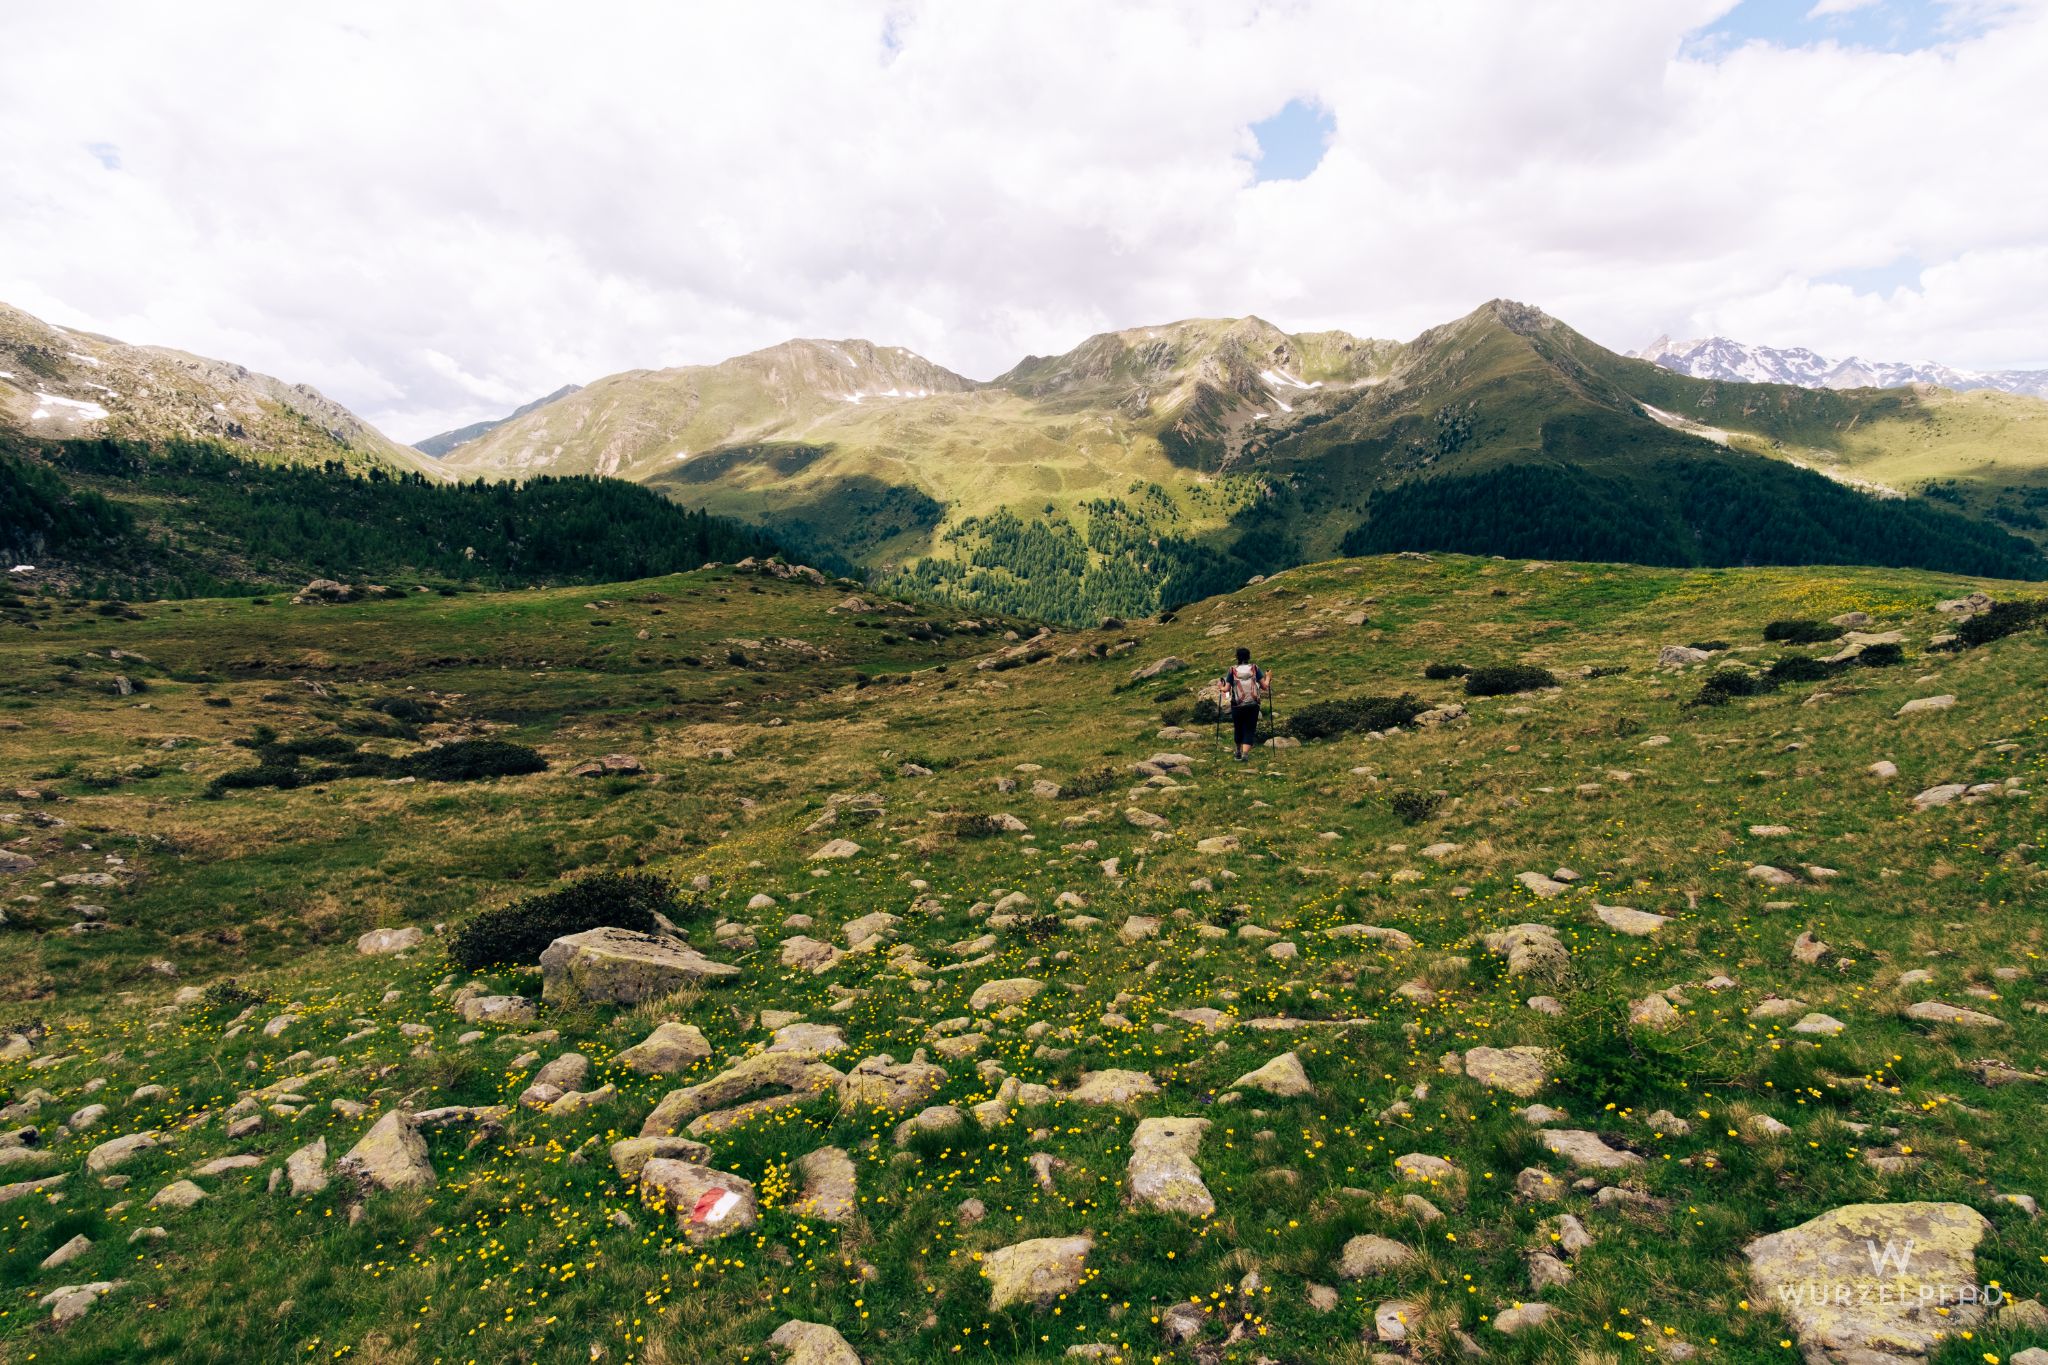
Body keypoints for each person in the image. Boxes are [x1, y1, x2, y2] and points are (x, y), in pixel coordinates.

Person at [1218, 647, 1271, 761]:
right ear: (1248, 657)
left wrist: (1220, 686)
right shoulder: (1254, 668)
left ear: (1237, 657)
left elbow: (1226, 689)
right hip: (1253, 704)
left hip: (1237, 705)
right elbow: (1264, 686)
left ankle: (1238, 751)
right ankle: (1245, 754)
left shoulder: (1232, 670)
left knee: (1238, 728)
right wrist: (1268, 677)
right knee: (1249, 728)